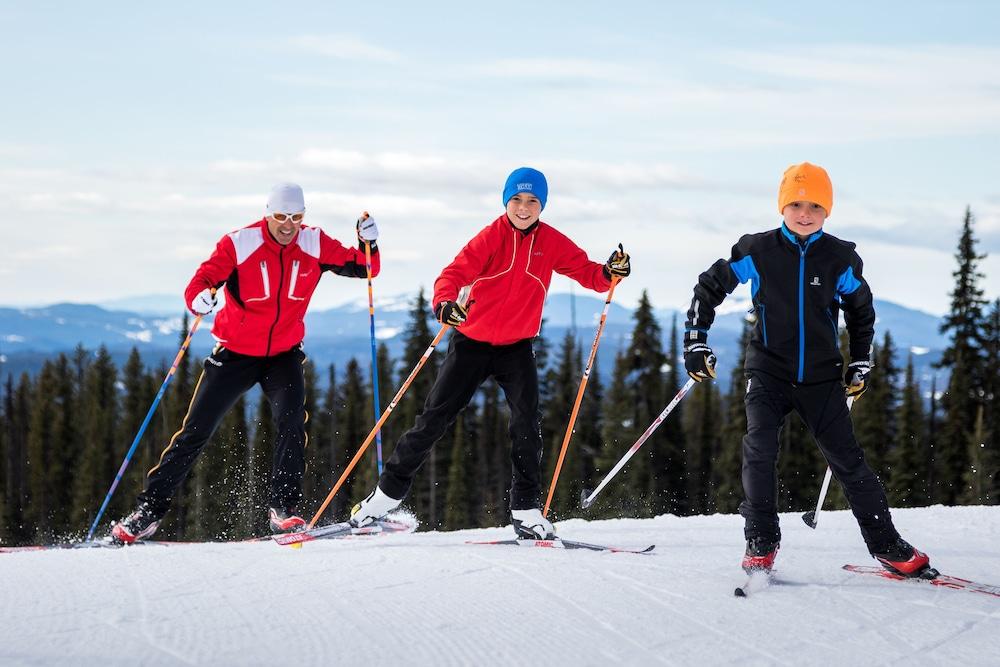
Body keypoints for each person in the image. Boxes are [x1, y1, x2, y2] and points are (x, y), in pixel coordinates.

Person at [349, 167, 630, 539]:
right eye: (516, 199)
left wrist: (610, 271)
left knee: (527, 423)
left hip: (517, 347)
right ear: (506, 201)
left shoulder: (551, 241)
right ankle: (381, 501)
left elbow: (588, 273)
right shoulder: (490, 237)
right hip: (472, 343)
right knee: (434, 419)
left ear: (542, 205)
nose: (524, 207)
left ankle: (526, 509)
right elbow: (451, 275)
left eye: (532, 201)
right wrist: (445, 304)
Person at [683, 162, 931, 577]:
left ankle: (886, 544)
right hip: (768, 372)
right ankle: (761, 539)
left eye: (815, 204)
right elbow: (708, 287)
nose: (804, 212)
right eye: (796, 203)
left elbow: (861, 311)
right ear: (783, 205)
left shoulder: (840, 258)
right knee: (760, 448)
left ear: (827, 210)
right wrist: (696, 342)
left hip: (820, 377)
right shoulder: (756, 251)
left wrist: (860, 361)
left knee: (849, 462)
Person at [111, 183, 381, 543]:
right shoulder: (240, 243)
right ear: (267, 213)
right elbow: (203, 280)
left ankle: (282, 510)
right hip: (235, 353)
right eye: (280, 217)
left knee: (291, 422)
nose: (288, 225)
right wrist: (199, 299)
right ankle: (148, 511)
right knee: (195, 431)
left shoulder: (314, 242)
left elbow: (365, 268)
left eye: (296, 217)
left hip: (283, 354)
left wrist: (370, 243)